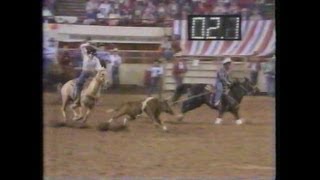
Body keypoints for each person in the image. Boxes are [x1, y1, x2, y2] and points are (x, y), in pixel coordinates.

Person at [71, 39, 104, 108]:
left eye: (93, 54)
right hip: (85, 72)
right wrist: (89, 44)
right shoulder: (85, 55)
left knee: (99, 83)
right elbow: (82, 46)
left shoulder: (96, 59)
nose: (92, 55)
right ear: (89, 53)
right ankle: (77, 100)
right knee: (79, 83)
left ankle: (96, 98)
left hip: (92, 73)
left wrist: (101, 70)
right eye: (92, 53)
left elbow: (99, 68)